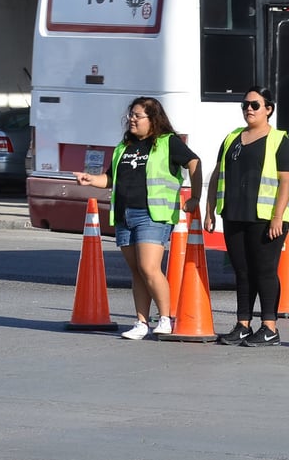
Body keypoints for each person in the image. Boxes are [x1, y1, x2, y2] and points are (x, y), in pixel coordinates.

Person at [76, 97, 202, 340]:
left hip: (153, 215)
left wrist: (195, 196)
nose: (131, 120)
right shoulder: (123, 147)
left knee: (149, 267)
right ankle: (141, 322)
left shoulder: (168, 143)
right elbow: (110, 178)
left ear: (153, 119)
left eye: (137, 116)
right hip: (125, 214)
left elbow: (193, 162)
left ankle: (166, 317)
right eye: (130, 115)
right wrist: (91, 180)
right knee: (137, 271)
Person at [204, 87, 289, 347]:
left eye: (255, 105)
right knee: (242, 272)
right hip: (234, 214)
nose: (249, 109)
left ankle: (270, 327)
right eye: (245, 105)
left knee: (264, 271)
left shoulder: (279, 140)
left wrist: (278, 216)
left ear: (268, 109)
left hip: (266, 218)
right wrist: (209, 210)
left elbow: (286, 181)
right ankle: (243, 324)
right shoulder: (232, 137)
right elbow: (217, 174)